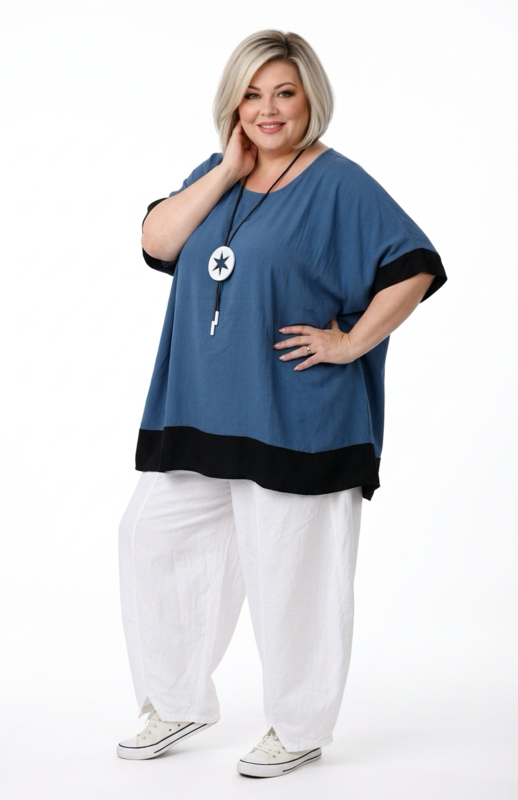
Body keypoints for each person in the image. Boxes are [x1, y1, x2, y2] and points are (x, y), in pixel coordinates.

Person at [117, 29, 447, 779]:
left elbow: (414, 267)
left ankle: (297, 727)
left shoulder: (339, 183)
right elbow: (157, 242)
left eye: (284, 93)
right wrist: (228, 170)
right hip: (202, 408)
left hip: (298, 416)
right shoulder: (218, 174)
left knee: (292, 575)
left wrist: (350, 343)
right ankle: (177, 701)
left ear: (310, 99)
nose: (268, 109)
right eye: (252, 94)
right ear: (233, 104)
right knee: (150, 537)